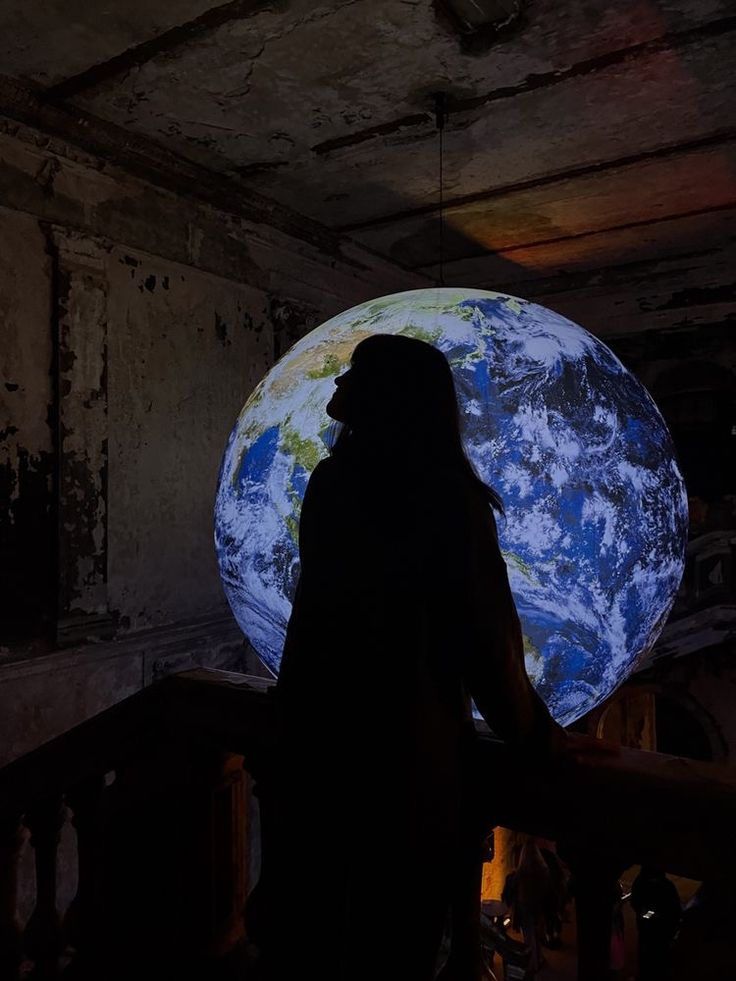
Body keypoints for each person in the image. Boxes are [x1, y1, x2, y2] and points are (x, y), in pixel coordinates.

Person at [263, 334, 568, 981]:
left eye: (354, 379)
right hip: (402, 774)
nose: (339, 391)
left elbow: (316, 625)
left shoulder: (332, 485)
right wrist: (544, 739)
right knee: (389, 948)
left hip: (314, 759)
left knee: (311, 941)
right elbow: (486, 647)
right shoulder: (448, 500)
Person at [630, 866, 681, 980]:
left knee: (656, 958)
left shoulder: (665, 887)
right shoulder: (643, 882)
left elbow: (674, 912)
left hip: (660, 932)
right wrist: (648, 914)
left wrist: (650, 914)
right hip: (650, 931)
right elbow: (637, 904)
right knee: (648, 957)